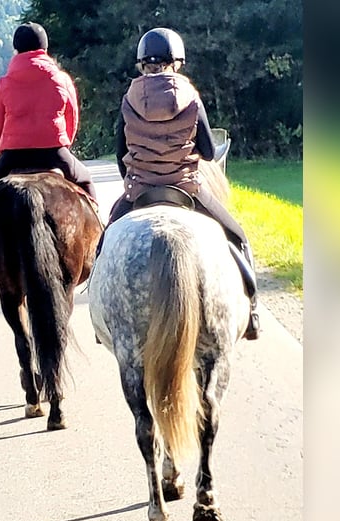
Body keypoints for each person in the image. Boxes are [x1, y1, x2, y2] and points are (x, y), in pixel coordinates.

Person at [106, 27, 260, 340]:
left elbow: (121, 151)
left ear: (142, 62)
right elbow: (206, 151)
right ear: (177, 60)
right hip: (187, 187)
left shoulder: (129, 99)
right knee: (239, 236)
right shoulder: (190, 96)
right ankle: (253, 310)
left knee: (104, 245)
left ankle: (105, 315)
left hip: (141, 190)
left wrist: (135, 182)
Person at [0, 22, 97, 273]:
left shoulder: (5, 82)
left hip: (13, 154)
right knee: (85, 181)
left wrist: (3, 152)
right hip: (54, 149)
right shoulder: (61, 79)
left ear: (16, 48)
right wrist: (64, 144)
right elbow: (71, 118)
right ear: (45, 47)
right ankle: (99, 242)